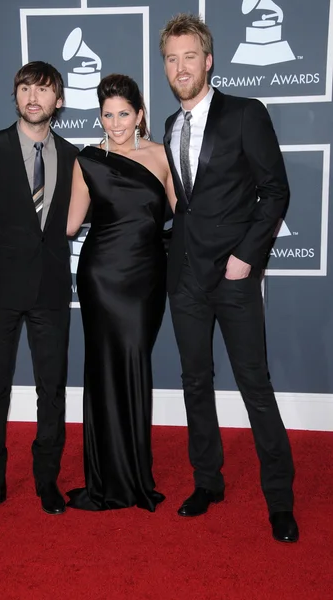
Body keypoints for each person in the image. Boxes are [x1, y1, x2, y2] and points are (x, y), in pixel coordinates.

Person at [160, 14, 298, 542]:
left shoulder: (244, 114)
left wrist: (247, 257)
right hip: (186, 280)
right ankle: (207, 481)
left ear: (208, 59)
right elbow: (185, 205)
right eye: (171, 59)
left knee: (255, 386)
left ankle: (280, 499)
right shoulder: (171, 127)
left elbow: (275, 191)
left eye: (189, 56)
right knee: (195, 383)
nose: (180, 67)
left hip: (235, 277)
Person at [0, 61, 78, 522]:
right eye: (25, 88)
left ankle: (47, 480)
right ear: (16, 96)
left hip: (50, 292)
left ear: (59, 101)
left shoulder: (73, 156)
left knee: (51, 390)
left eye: (44, 90)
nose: (34, 97)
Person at [66, 74, 175, 511]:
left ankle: (133, 473)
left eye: (124, 114)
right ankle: (108, 478)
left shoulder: (162, 156)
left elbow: (182, 215)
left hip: (146, 276)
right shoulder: (87, 160)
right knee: (103, 368)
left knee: (134, 363)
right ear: (100, 115)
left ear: (140, 114)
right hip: (101, 277)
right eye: (108, 115)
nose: (115, 123)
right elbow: (70, 226)